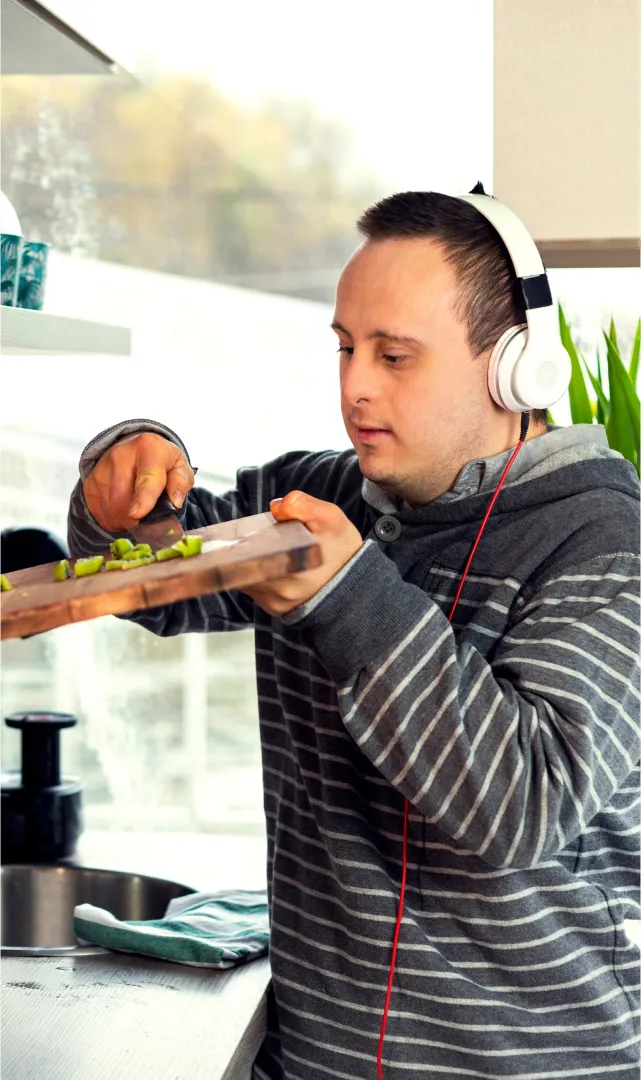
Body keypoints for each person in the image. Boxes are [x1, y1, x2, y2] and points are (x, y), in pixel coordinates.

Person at [68, 187, 640, 1080]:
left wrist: (344, 593)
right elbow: (151, 580)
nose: (352, 386)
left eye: (394, 356)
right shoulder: (320, 499)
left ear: (511, 366)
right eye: (343, 347)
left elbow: (522, 804)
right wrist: (127, 473)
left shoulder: (602, 543)